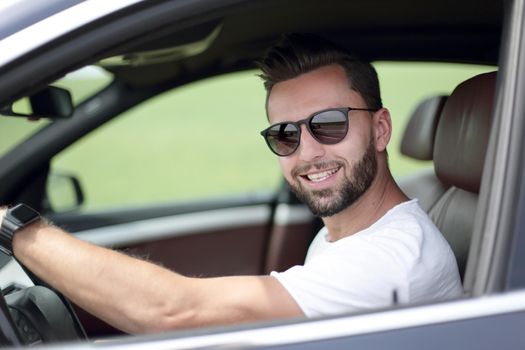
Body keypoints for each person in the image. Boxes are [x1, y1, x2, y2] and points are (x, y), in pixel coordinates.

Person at [0, 34, 462, 334]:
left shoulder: (392, 261)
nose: (306, 153)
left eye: (329, 124)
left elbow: (174, 310)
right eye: (285, 134)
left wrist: (14, 229)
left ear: (381, 129)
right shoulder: (345, 234)